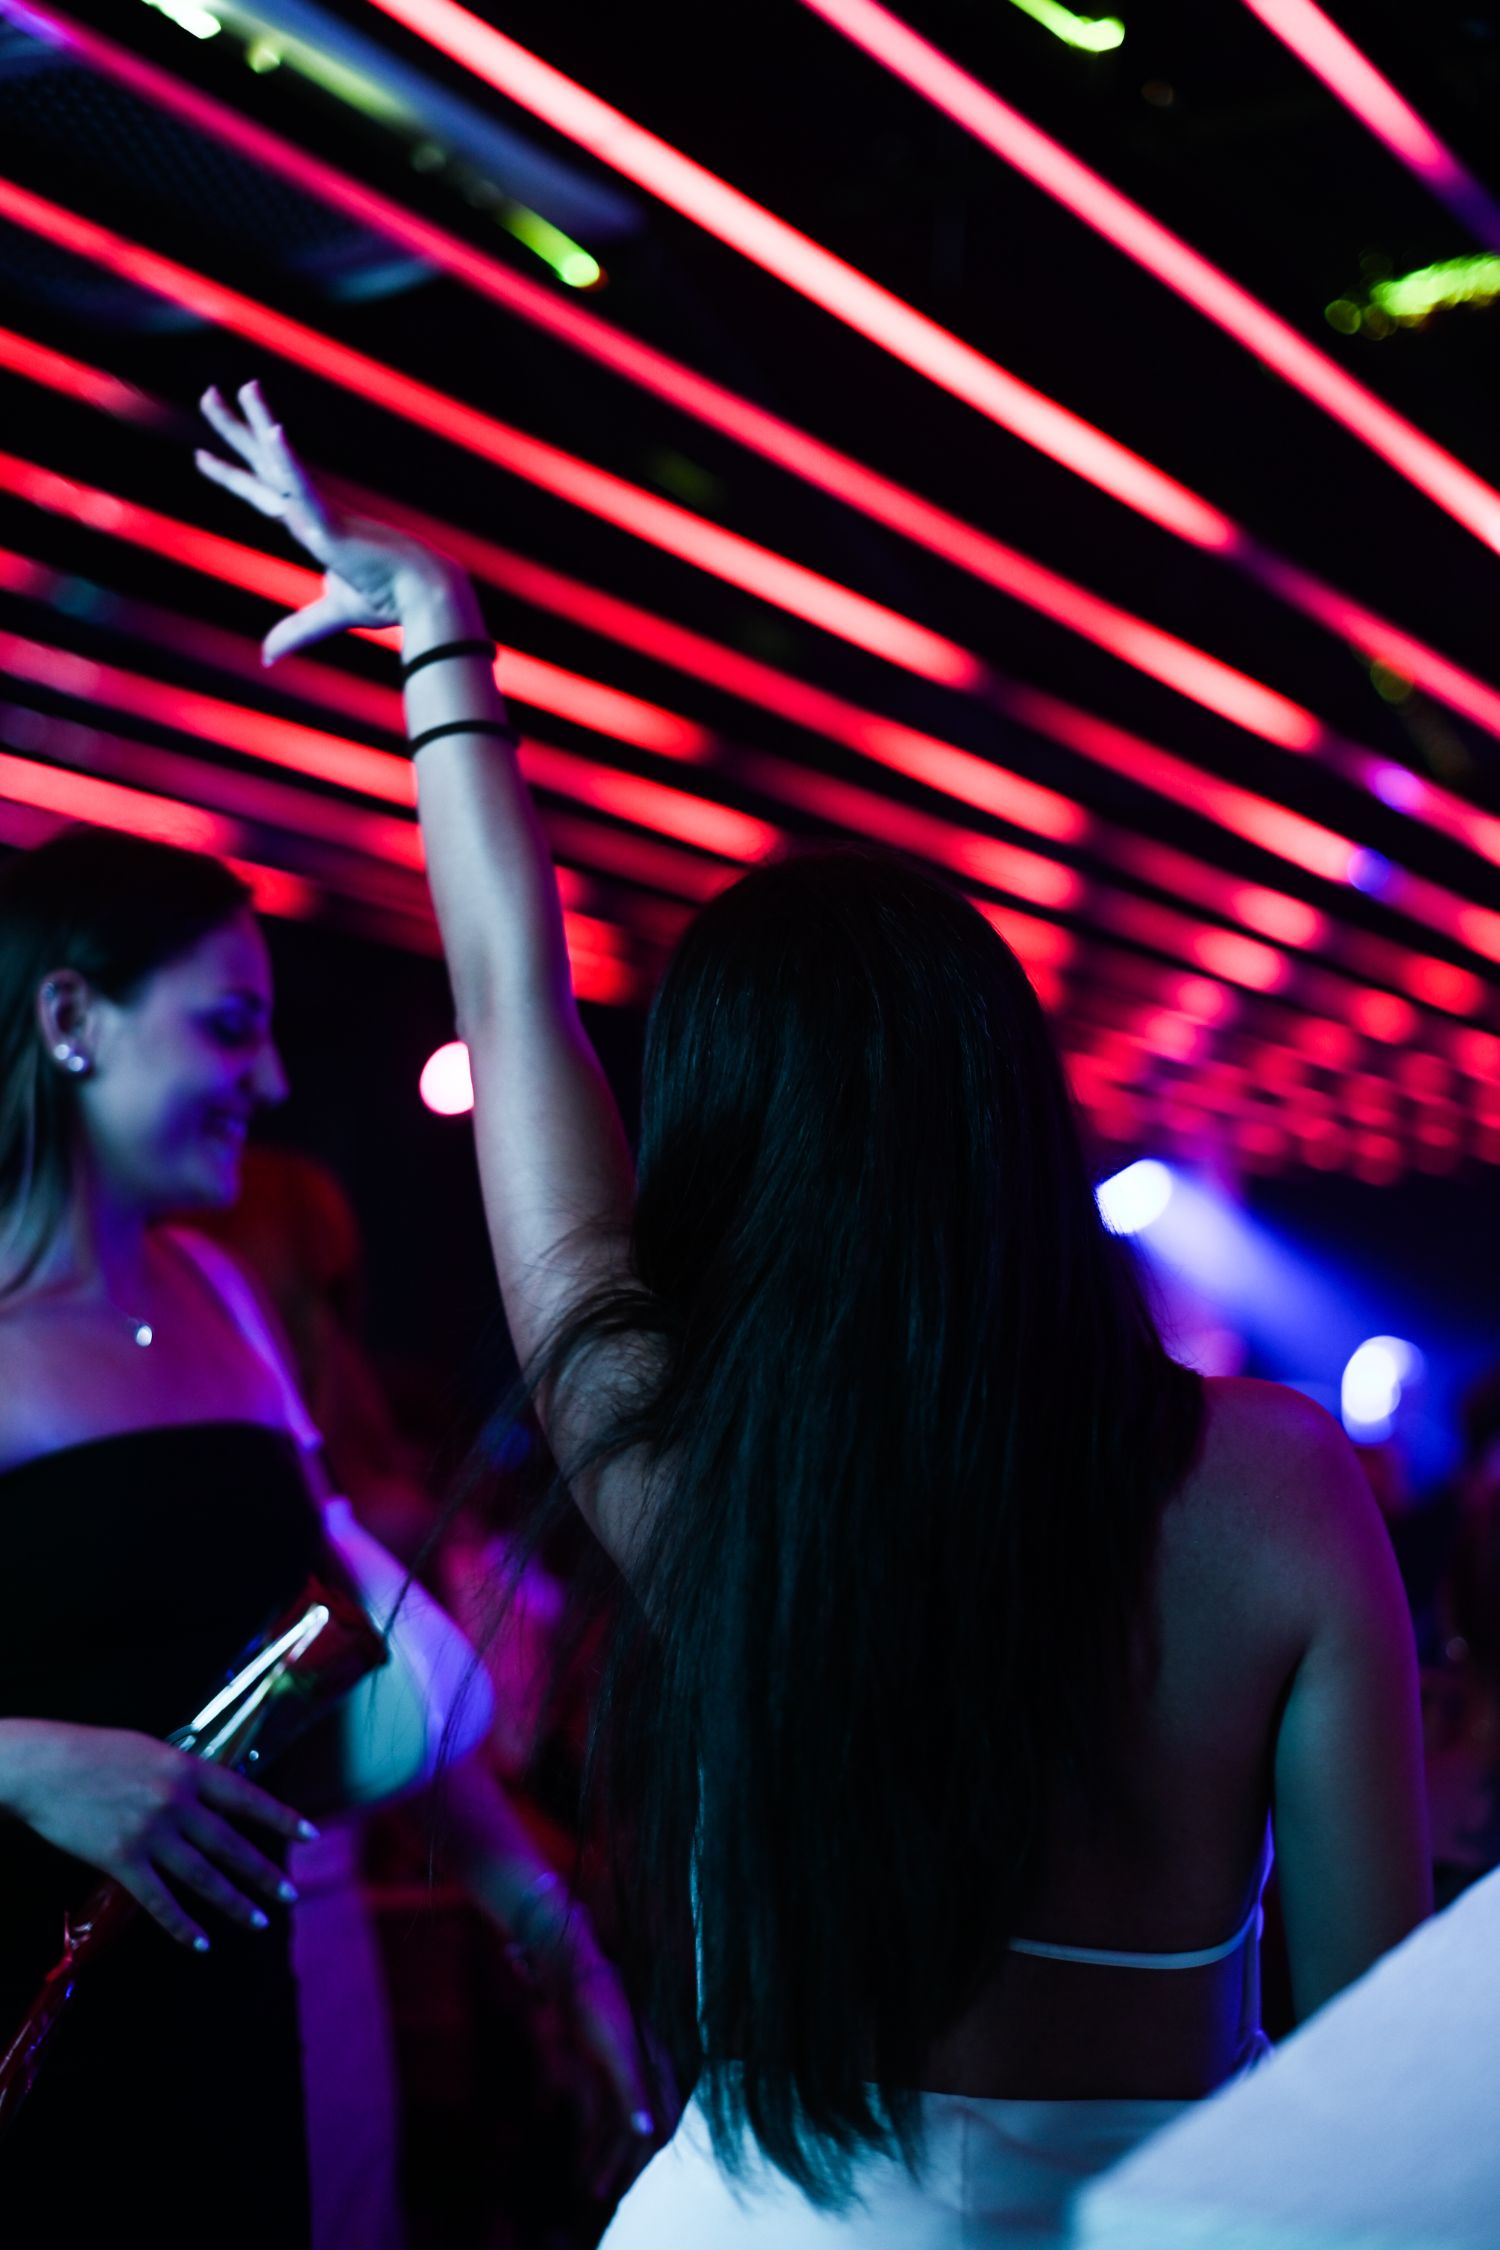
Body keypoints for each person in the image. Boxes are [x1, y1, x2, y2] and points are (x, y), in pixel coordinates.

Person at [197, 382, 1432, 2244]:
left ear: (720, 1151)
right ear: (1017, 1118)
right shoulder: (1279, 1485)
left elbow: (512, 1006)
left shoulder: (698, 1476)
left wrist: (442, 636)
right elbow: (1375, 2063)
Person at [0, 827, 326, 2239]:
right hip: (29, 2056)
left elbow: (332, 1609)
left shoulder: (221, 1294)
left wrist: (530, 1900)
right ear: (71, 1017)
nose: (274, 1079)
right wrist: (25, 1761)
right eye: (232, 1027)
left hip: (230, 2029)